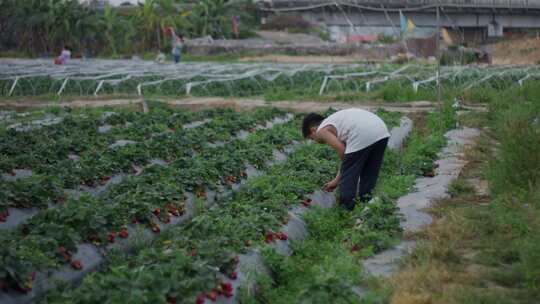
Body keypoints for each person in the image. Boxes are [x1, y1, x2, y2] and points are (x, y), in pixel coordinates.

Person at [302, 108, 390, 211]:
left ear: (313, 130)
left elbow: (343, 152)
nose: (315, 141)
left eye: (312, 138)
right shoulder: (336, 123)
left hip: (362, 133)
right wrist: (336, 180)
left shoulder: (321, 130)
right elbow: (347, 157)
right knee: (369, 174)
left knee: (348, 179)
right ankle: (365, 207)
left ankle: (345, 211)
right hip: (381, 131)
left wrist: (339, 179)